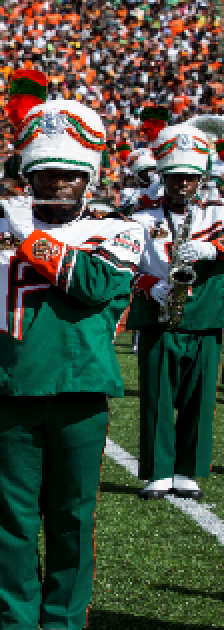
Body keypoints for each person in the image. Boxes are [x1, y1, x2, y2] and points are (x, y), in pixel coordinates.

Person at [0, 99, 142, 628]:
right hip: (9, 391)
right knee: (11, 520)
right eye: (45, 173)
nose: (57, 183)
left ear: (89, 178)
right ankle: (16, 622)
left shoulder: (121, 228)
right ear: (29, 173)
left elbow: (97, 285)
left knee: (72, 520)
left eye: (69, 175)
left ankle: (64, 622)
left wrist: (27, 236)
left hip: (80, 395)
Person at [126, 124, 223, 501]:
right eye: (176, 176)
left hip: (204, 315)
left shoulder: (215, 214)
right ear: (163, 177)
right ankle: (158, 471)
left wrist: (213, 250)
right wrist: (155, 287)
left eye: (190, 177)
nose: (183, 183)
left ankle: (189, 470)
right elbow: (128, 266)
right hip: (158, 314)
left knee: (201, 397)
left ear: (200, 180)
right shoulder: (142, 219)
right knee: (157, 397)